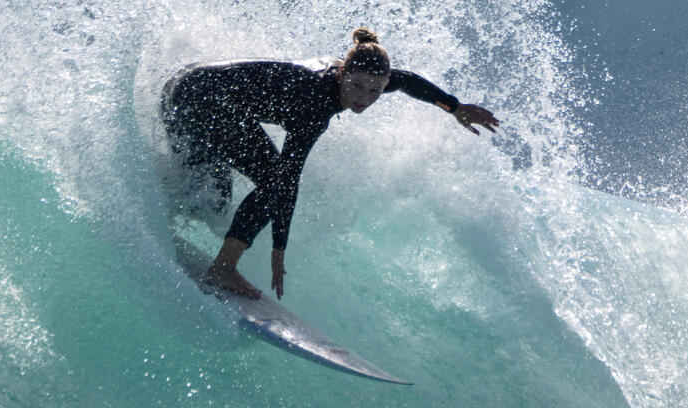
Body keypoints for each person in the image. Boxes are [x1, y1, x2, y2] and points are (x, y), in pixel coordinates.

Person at [162, 27, 499, 301]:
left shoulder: (368, 76)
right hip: (199, 101)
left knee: (209, 201)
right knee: (271, 181)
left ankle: (159, 208)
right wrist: (279, 248)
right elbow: (286, 183)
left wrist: (453, 108)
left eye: (374, 91)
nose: (363, 98)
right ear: (342, 73)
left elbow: (409, 81)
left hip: (183, 87)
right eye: (356, 86)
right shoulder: (315, 104)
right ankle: (223, 267)